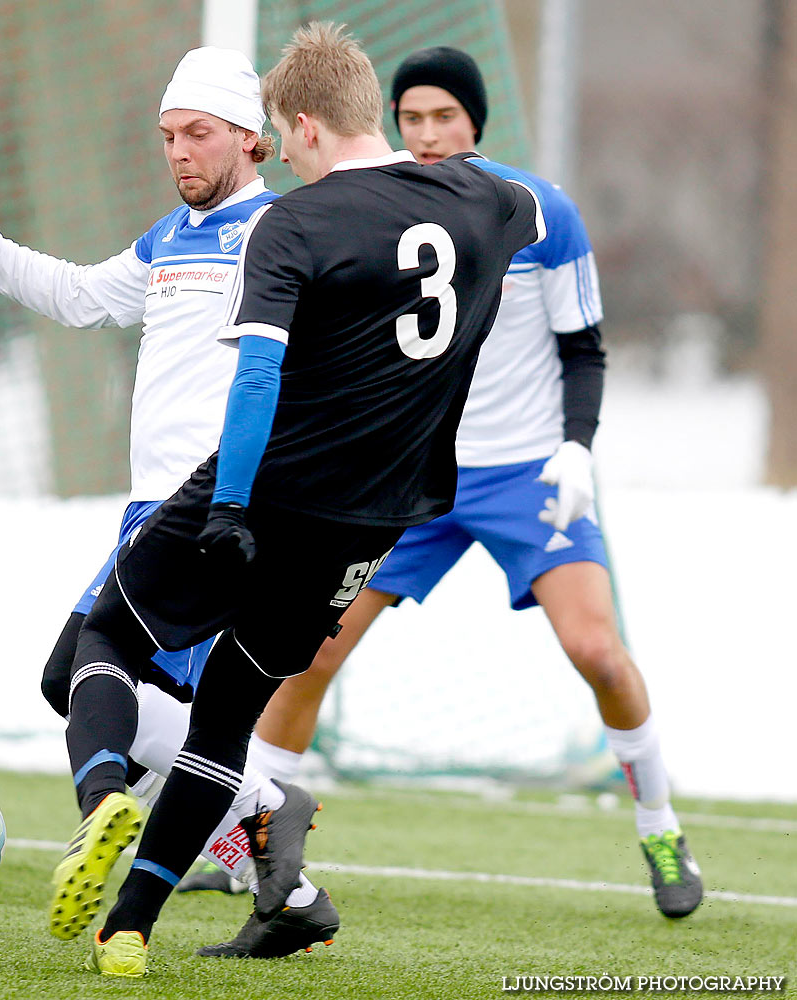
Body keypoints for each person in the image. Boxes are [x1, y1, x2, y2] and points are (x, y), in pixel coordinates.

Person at [60, 22, 546, 976]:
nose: (282, 154)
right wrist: (433, 170)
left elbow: (255, 381)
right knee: (228, 718)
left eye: (283, 135)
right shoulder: (486, 199)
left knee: (102, 638)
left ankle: (103, 796)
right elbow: (532, 204)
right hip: (374, 522)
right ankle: (128, 929)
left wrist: (230, 505)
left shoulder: (298, 222)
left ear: (310, 126)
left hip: (271, 491)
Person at [244, 45, 703, 922]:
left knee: (598, 653)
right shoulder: (375, 215)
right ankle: (252, 849)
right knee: (312, 653)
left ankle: (658, 820)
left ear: (476, 123)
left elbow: (585, 347)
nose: (426, 134)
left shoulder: (534, 213)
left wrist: (575, 450)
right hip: (415, 477)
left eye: (443, 117)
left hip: (529, 476)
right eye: (410, 117)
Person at [0, 47, 339, 959]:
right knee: (86, 683)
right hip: (148, 512)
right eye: (167, 137)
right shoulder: (167, 239)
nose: (180, 153)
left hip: (216, 509)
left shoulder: (283, 230)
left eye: (198, 134)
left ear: (250, 137)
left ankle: (143, 808)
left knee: (92, 672)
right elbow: (77, 297)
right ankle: (277, 846)